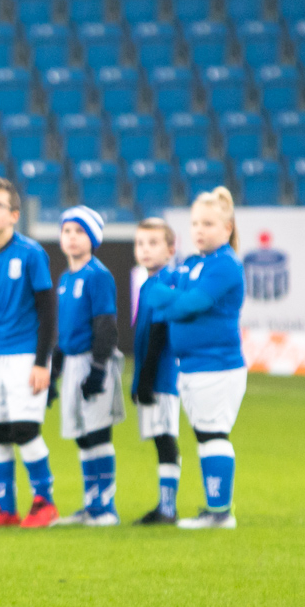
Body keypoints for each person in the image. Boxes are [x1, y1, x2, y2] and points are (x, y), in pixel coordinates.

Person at [0, 176, 60, 530]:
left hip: (25, 357)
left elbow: (48, 312)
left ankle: (45, 503)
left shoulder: (31, 253)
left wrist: (42, 362)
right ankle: (4, 508)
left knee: (25, 430)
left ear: (14, 214)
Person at [155, 187, 246, 530]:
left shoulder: (226, 265)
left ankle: (220, 513)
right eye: (195, 223)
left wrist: (170, 302)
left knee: (213, 435)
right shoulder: (193, 263)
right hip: (192, 366)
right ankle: (215, 509)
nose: (199, 230)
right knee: (205, 436)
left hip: (216, 364)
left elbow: (189, 305)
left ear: (227, 228)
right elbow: (154, 293)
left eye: (208, 223)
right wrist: (169, 299)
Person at [49, 206, 125, 527]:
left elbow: (106, 325)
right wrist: (54, 372)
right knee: (81, 434)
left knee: (98, 433)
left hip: (94, 360)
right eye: (67, 231)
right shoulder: (65, 278)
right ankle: (90, 504)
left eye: (80, 231)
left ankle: (106, 508)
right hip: (71, 363)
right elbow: (64, 330)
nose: (72, 237)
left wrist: (98, 368)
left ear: (93, 238)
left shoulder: (98, 275)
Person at [130, 217, 183, 526]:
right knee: (158, 436)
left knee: (165, 437)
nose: (145, 249)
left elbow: (160, 332)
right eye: (140, 243)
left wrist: (147, 377)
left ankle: (168, 507)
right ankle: (164, 505)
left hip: (163, 375)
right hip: (151, 375)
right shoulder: (147, 284)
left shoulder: (168, 281)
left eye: (153, 243)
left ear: (171, 249)